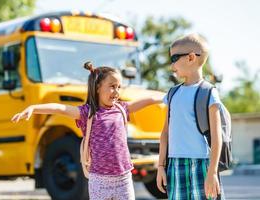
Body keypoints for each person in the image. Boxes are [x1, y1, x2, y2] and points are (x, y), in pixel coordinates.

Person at [12, 61, 162, 200]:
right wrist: (33, 108)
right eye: (112, 86)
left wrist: (166, 96)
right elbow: (60, 108)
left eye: (119, 87)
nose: (116, 91)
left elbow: (146, 101)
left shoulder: (121, 109)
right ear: (97, 87)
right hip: (99, 179)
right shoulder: (87, 113)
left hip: (123, 177)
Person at [156, 34, 224, 200]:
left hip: (202, 165)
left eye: (174, 58)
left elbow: (217, 137)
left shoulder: (209, 92)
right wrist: (161, 166)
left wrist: (212, 172)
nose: (172, 66)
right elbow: (165, 133)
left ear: (191, 57)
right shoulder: (172, 93)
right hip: (175, 165)